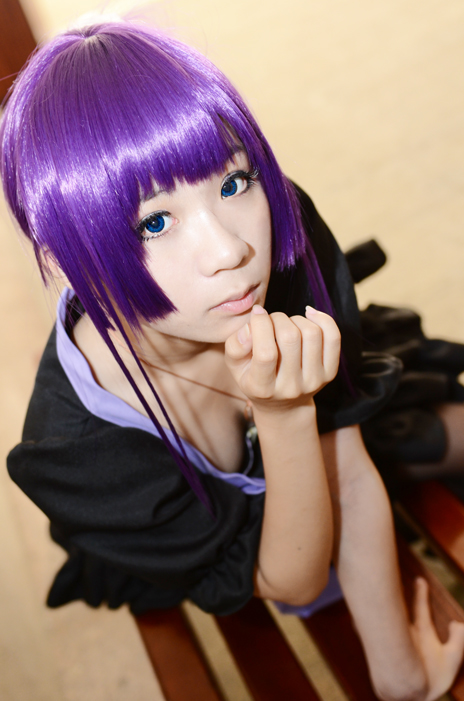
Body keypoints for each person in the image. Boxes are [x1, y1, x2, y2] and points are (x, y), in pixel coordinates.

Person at [2, 18, 464, 700]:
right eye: (154, 222)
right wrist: (283, 411)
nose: (231, 251)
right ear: (69, 261)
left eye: (232, 182)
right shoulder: (81, 450)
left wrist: (399, 672)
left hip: (325, 454)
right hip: (236, 548)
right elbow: (290, 578)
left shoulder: (279, 236)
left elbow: (348, 469)